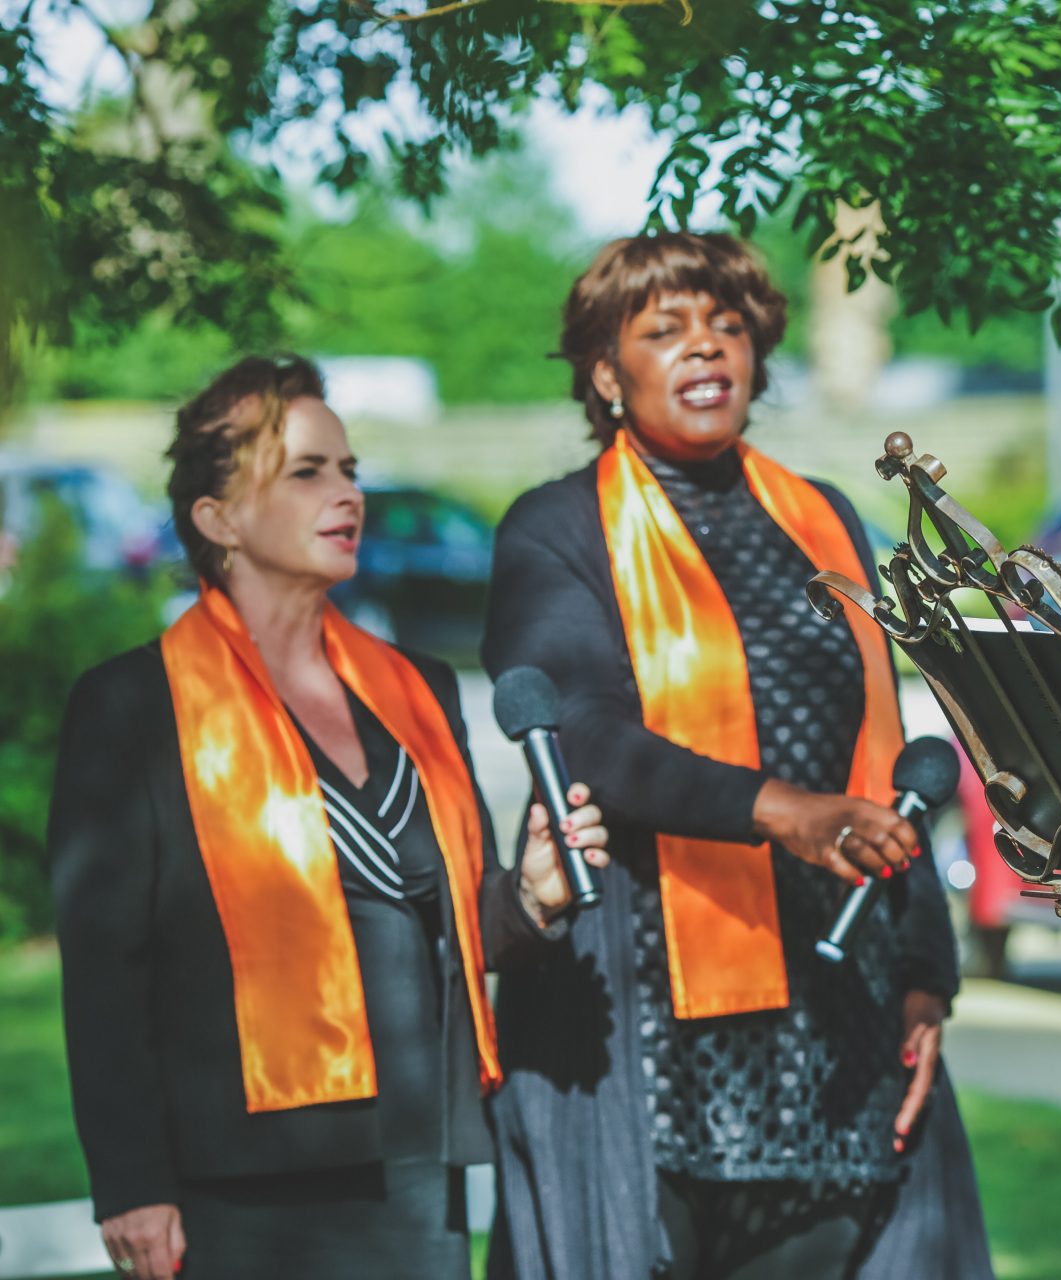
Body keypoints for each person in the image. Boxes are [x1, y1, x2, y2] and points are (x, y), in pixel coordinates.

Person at [481, 232, 990, 1280]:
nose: (706, 348)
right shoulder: (558, 527)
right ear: (605, 374)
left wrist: (926, 975)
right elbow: (590, 734)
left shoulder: (824, 518)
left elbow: (881, 748)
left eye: (727, 325)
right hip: (638, 1015)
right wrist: (787, 811)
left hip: (828, 1005)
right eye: (664, 330)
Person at [49, 355, 609, 1280]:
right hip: (231, 1178)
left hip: (414, 1158)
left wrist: (533, 899)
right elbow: (106, 975)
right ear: (216, 517)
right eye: (305, 471)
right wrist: (131, 1182)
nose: (346, 493)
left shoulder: (417, 691)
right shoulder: (130, 707)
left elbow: (451, 930)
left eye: (347, 469)